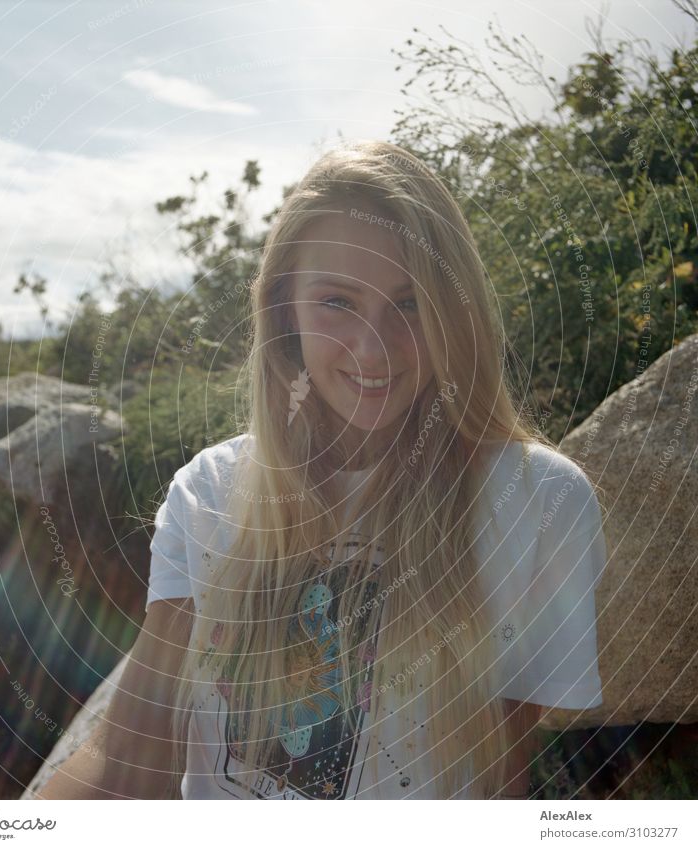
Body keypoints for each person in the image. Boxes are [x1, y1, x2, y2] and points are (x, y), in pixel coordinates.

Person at [36, 139, 607, 801]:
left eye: (412, 302)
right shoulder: (208, 491)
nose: (374, 346)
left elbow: (495, 783)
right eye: (337, 301)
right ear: (285, 311)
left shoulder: (539, 504)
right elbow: (126, 753)